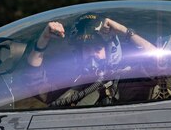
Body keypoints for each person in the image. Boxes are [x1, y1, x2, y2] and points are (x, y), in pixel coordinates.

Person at [25, 13, 156, 107]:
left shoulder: (128, 80)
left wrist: (123, 30)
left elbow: (157, 60)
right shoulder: (74, 86)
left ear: (111, 51)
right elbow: (36, 86)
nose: (91, 54)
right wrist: (43, 39)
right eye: (86, 49)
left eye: (98, 48)